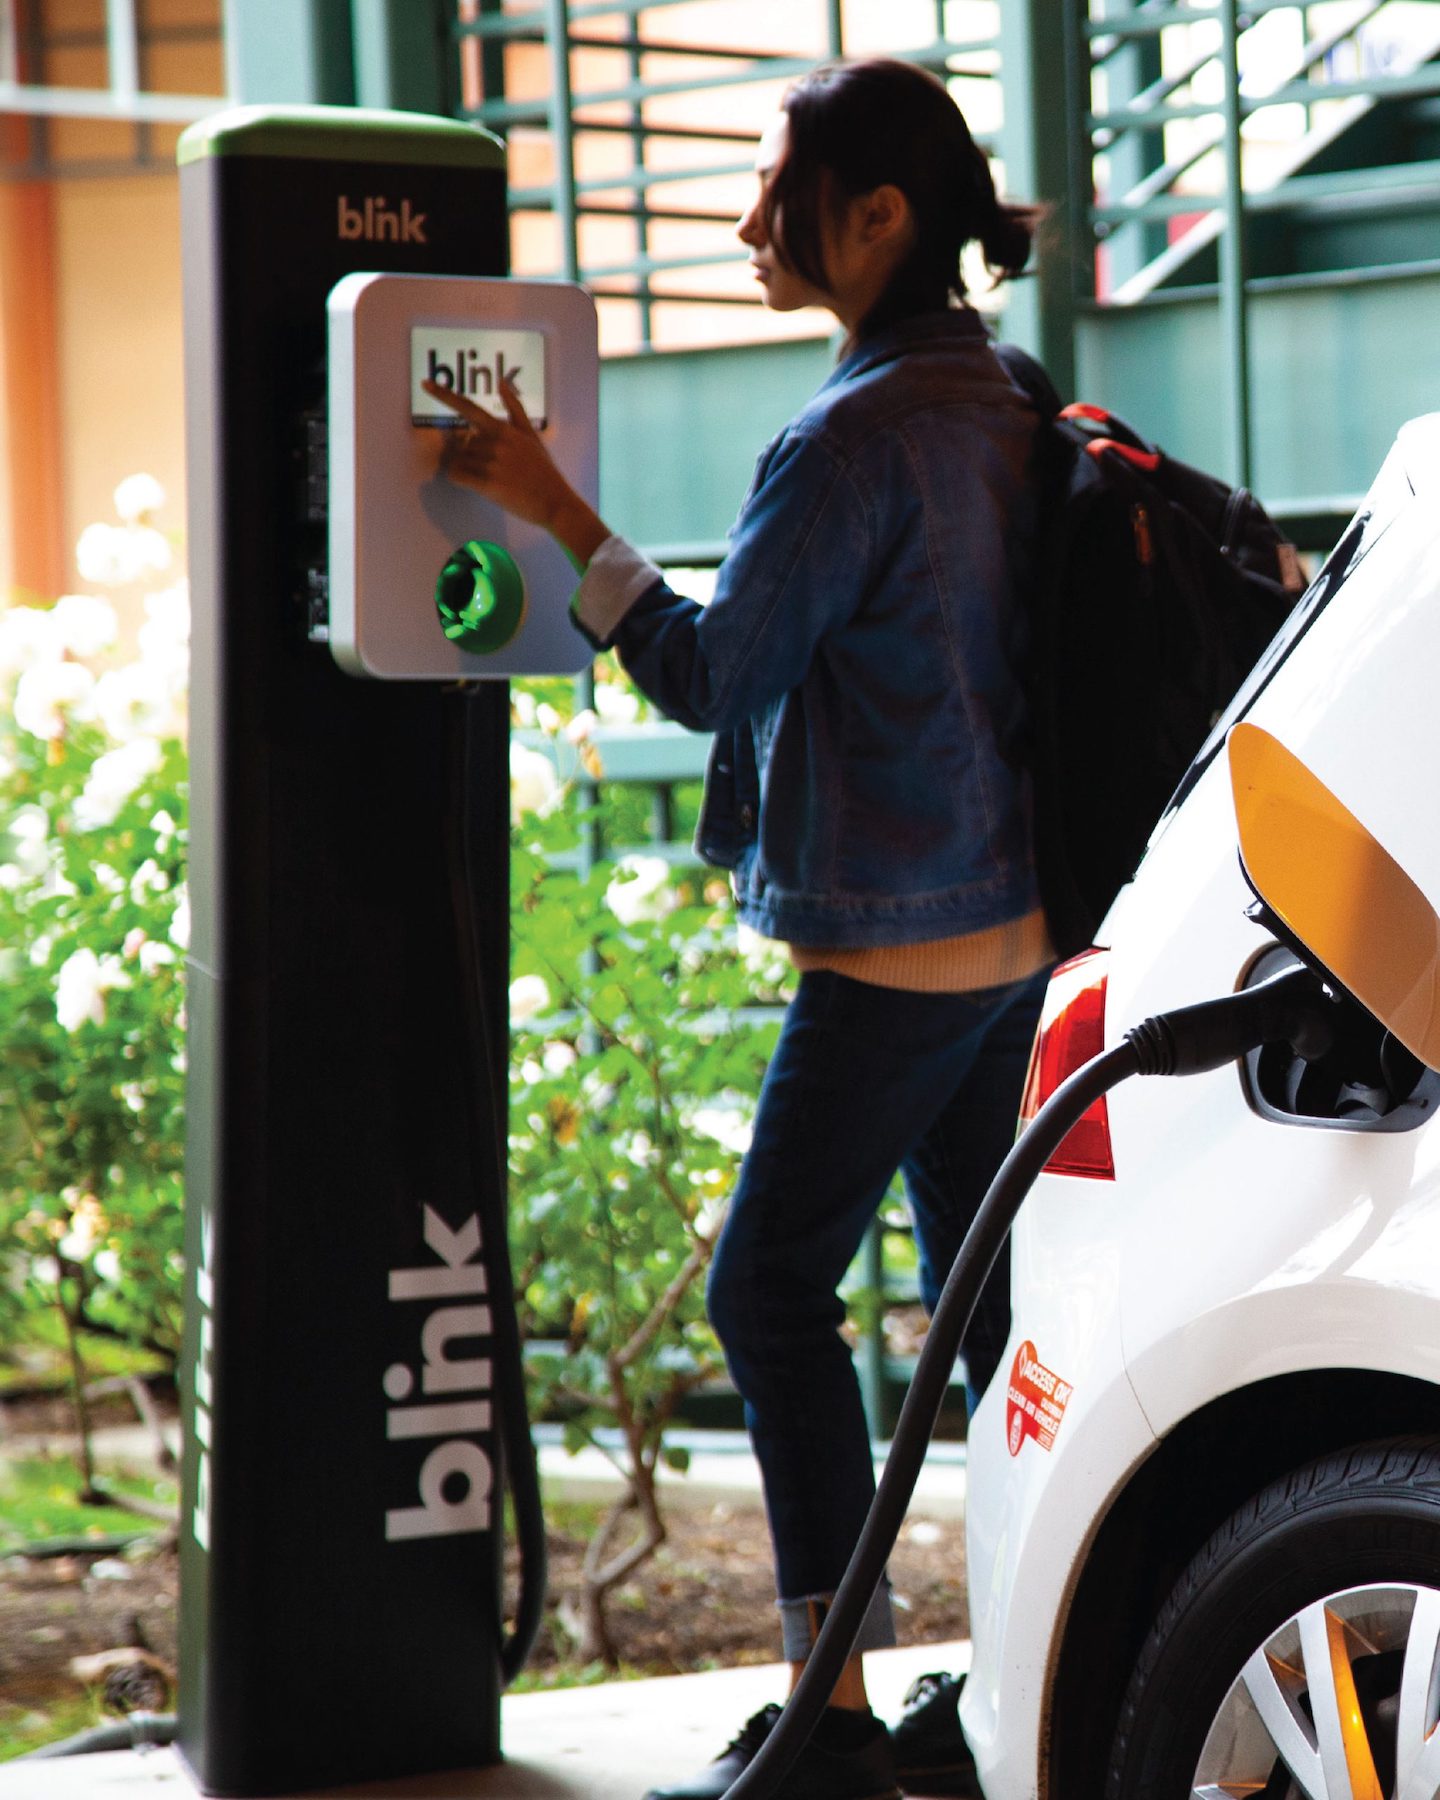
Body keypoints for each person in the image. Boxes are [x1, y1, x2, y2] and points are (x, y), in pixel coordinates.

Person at [427, 56, 1054, 1800]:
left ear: (879, 216)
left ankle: (833, 1716)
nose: (745, 221)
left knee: (770, 1293)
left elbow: (715, 675)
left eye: (779, 189)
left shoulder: (848, 435)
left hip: (901, 952)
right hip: (1007, 930)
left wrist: (553, 506)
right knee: (991, 1328)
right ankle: (1002, 1686)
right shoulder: (999, 390)